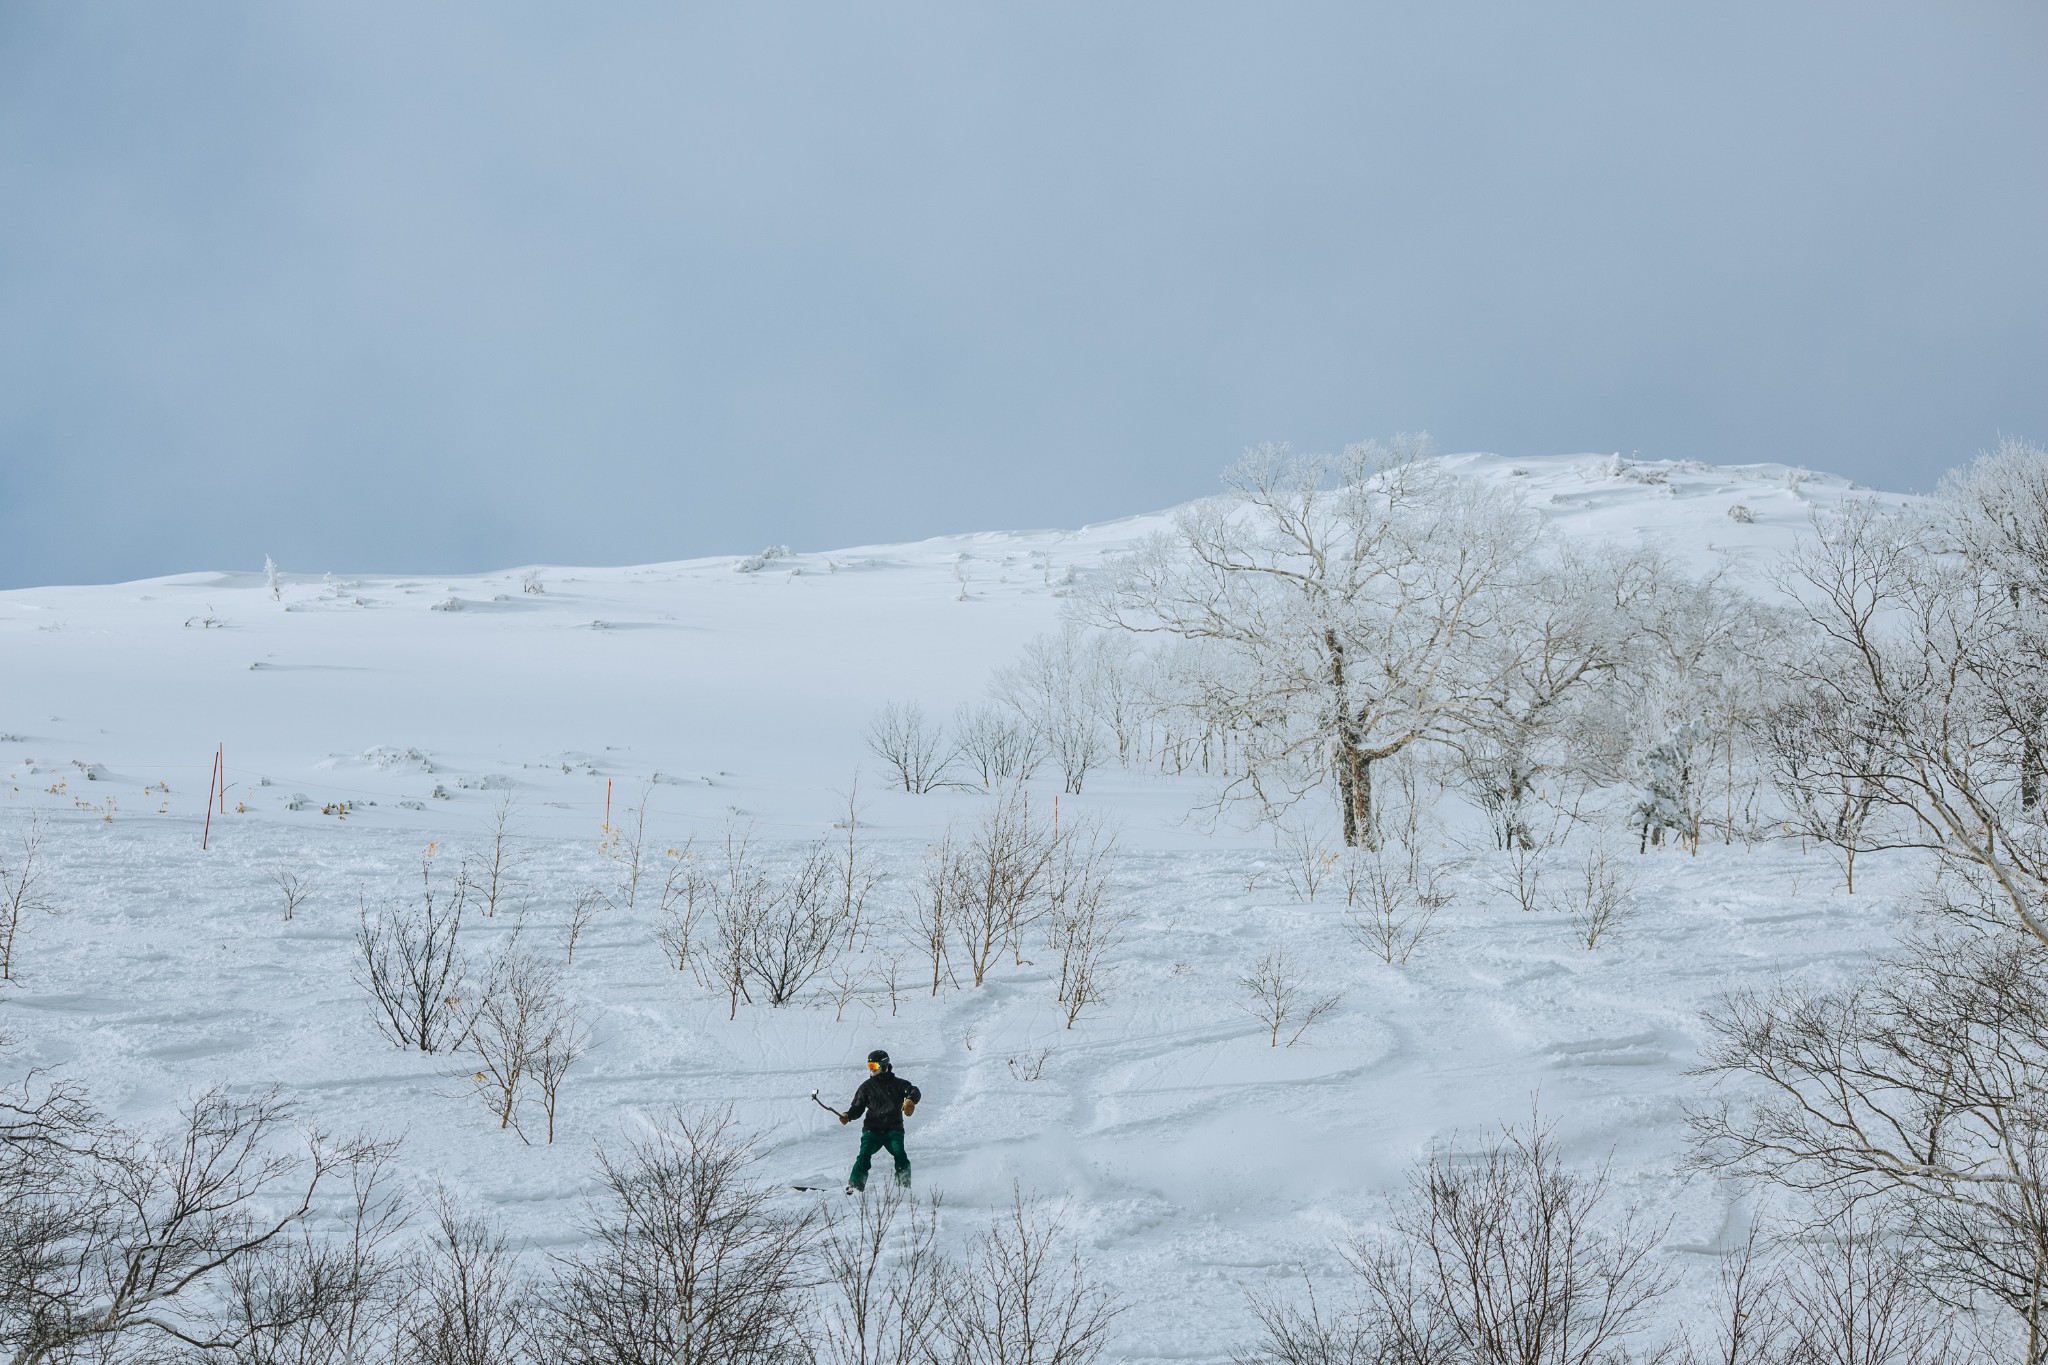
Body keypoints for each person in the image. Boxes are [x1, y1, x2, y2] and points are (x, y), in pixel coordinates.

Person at [841, 1049, 921, 1193]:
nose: (871, 1070)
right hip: (872, 1130)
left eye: (874, 1066)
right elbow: (857, 1108)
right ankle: (855, 1186)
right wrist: (848, 1115)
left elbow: (914, 1090)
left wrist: (910, 1100)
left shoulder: (898, 1084)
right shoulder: (866, 1087)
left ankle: (903, 1187)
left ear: (884, 1066)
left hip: (894, 1129)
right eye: (869, 1066)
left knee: (900, 1154)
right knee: (864, 1155)